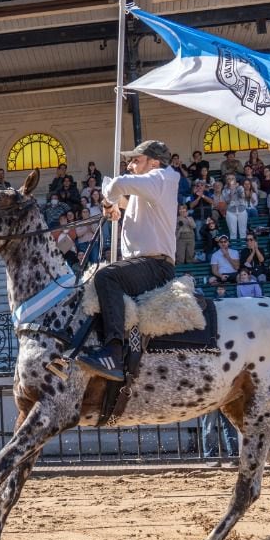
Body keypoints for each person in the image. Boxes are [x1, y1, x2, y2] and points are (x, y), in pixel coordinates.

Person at [79, 140, 180, 381]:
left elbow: (117, 184)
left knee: (106, 276)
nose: (130, 165)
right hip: (145, 263)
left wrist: (109, 202)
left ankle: (113, 352)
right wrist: (112, 205)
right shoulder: (151, 187)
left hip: (154, 265)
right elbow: (117, 194)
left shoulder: (161, 178)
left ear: (154, 162)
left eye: (136, 160)